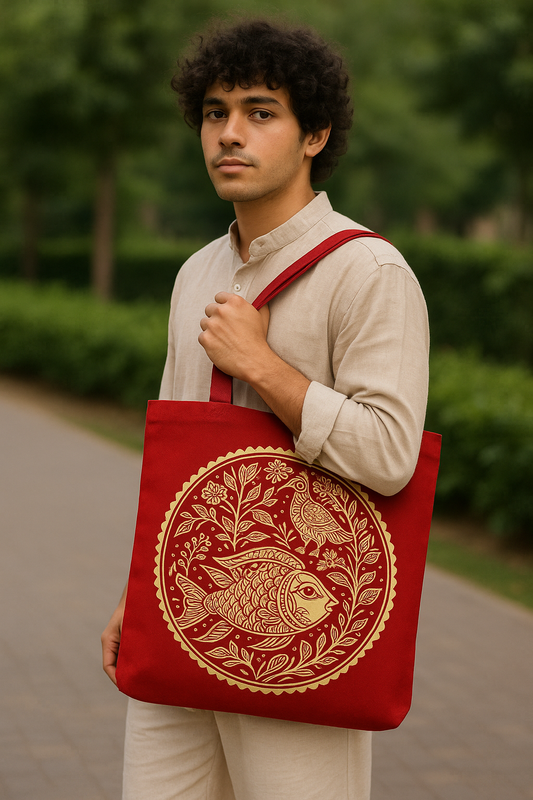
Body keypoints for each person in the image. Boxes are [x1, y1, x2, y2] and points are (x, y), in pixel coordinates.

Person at [101, 17, 429, 800]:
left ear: (314, 132)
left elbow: (390, 457)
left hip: (304, 643)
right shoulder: (197, 273)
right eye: (215, 113)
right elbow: (177, 455)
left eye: (259, 112)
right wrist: (138, 594)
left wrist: (262, 367)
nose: (229, 135)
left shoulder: (370, 272)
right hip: (186, 621)